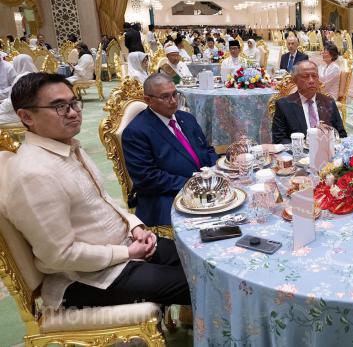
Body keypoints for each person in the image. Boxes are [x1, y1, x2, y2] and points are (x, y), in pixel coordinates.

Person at [0, 72, 190, 309]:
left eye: (73, 103)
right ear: (26, 116)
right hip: (88, 279)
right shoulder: (34, 174)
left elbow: (104, 199)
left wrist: (135, 226)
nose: (73, 112)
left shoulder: (67, 147)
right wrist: (127, 253)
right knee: (200, 282)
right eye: (59, 107)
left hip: (124, 245)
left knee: (199, 260)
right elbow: (59, 256)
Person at [122, 73, 218, 227]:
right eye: (165, 97)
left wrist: (216, 171)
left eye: (175, 94)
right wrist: (193, 184)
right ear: (148, 100)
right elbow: (148, 178)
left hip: (206, 185)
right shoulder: (136, 132)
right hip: (166, 195)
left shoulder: (187, 118)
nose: (173, 101)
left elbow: (207, 149)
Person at [272, 60, 347, 144]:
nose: (311, 80)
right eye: (305, 76)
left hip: (326, 148)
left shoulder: (328, 102)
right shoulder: (284, 105)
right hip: (299, 151)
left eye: (314, 76)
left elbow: (342, 134)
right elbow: (279, 139)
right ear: (295, 80)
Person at [0, 54, 38, 124]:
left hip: (21, 112)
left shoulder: (21, 78)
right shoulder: (38, 76)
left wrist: (1, 108)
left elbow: (12, 101)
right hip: (35, 111)